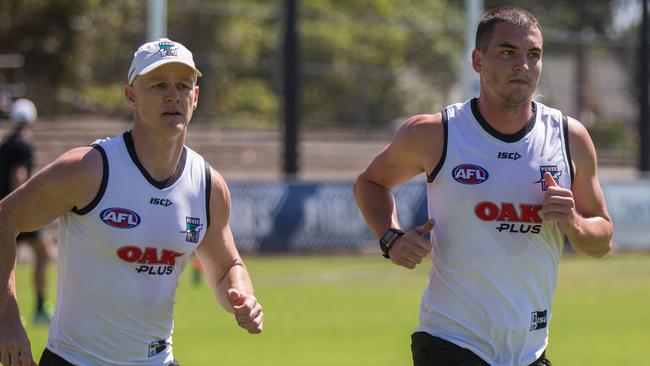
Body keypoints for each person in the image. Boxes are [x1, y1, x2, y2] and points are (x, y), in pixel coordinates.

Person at [354, 6, 612, 366]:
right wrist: (390, 237)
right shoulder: (436, 133)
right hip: (450, 342)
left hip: (530, 351)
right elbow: (371, 182)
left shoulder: (569, 138)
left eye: (533, 54)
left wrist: (575, 223)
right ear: (477, 60)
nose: (523, 64)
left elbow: (602, 240)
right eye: (508, 52)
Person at [0, 38, 263, 366]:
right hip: (74, 360)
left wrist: (243, 295)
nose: (173, 95)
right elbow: (4, 220)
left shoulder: (208, 187)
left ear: (195, 97)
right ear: (130, 96)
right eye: (158, 84)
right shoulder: (87, 170)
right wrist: (7, 317)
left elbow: (226, 267)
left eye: (183, 85)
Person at [0, 98, 56, 325]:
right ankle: (41, 308)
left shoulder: (6, 144)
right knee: (45, 253)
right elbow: (19, 177)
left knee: (8, 264)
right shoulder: (24, 144)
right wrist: (20, 209)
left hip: (4, 211)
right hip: (16, 213)